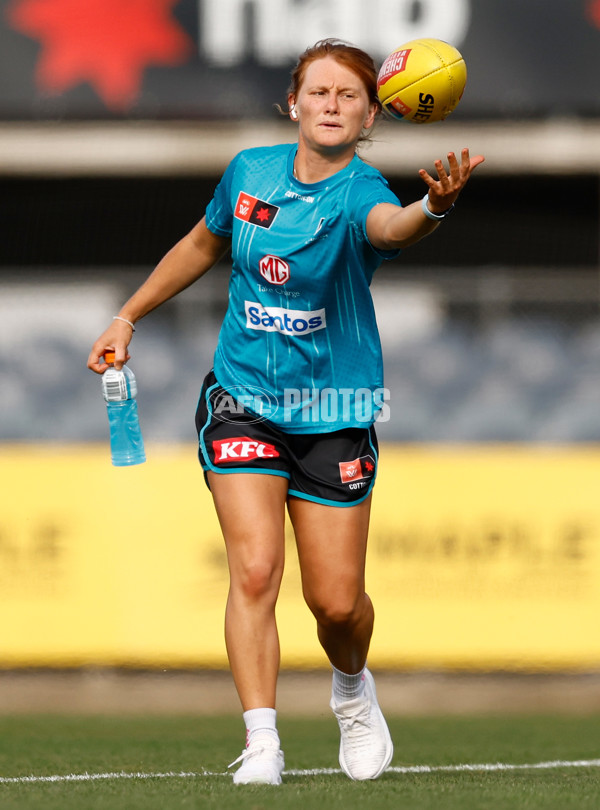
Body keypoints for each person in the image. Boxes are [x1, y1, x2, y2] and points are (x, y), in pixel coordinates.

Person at [88, 38, 484, 785]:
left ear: (372, 115)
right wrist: (127, 317)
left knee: (335, 605)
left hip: (332, 407)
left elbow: (391, 229)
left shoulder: (361, 190)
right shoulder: (249, 171)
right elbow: (204, 244)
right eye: (319, 92)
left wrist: (432, 205)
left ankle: (352, 689)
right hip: (242, 400)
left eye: (348, 97)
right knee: (256, 570)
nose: (332, 105)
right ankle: (262, 741)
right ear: (293, 103)